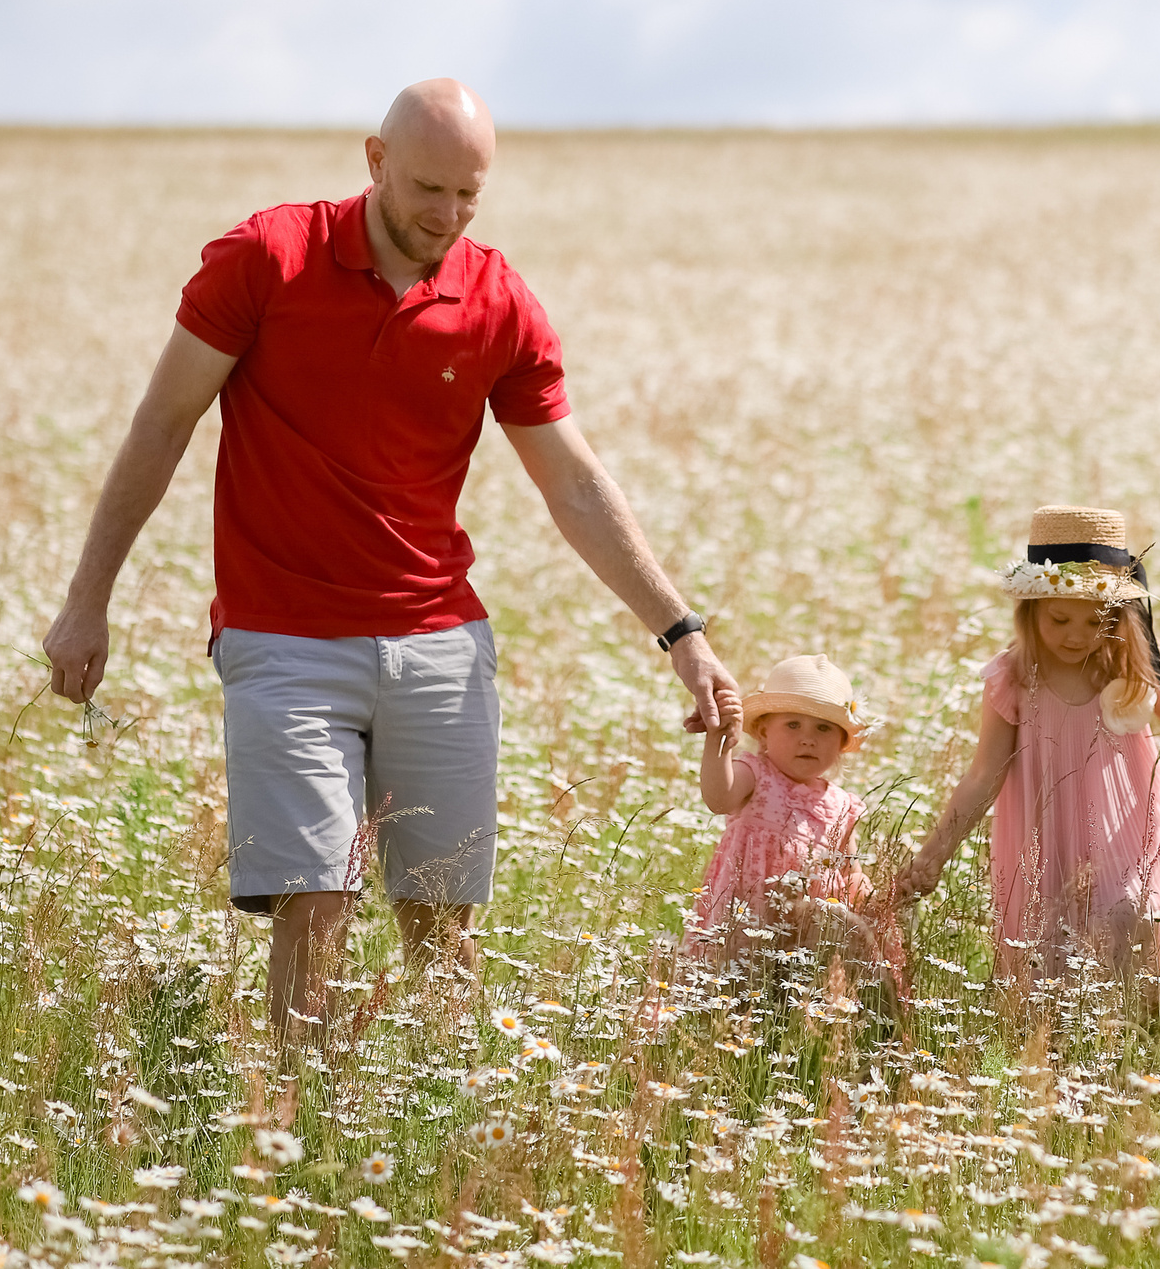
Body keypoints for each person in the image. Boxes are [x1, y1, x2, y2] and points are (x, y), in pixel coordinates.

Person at [39, 78, 737, 1038]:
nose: (446, 216)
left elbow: (572, 482)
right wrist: (88, 602)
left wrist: (682, 632)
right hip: (284, 640)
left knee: (443, 923)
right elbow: (162, 424)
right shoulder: (265, 260)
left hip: (441, 644)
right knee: (313, 904)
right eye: (427, 189)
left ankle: (434, 1123)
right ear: (374, 161)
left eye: (468, 196)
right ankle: (290, 1131)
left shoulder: (497, 301)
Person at [898, 506, 1160, 988]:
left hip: (1124, 838)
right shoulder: (1014, 677)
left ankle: (1142, 1044)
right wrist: (933, 856)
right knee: (1056, 969)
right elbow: (984, 776)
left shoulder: (1126, 664)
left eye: (1094, 622)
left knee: (1137, 924)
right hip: (1046, 843)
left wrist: (1144, 645)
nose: (1076, 636)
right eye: (1060, 619)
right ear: (1032, 609)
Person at [688, 654, 897, 989]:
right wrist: (719, 741)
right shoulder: (754, 775)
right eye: (793, 725)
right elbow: (718, 797)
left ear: (842, 742)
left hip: (809, 935)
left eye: (824, 728)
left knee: (792, 999)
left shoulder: (842, 806)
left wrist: (875, 903)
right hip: (748, 915)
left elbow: (850, 874)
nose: (807, 739)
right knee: (737, 990)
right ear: (764, 731)